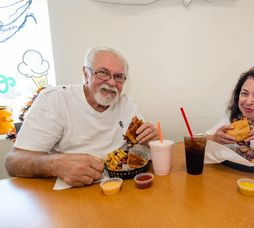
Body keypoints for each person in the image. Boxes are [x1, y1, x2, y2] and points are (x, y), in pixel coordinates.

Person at [5, 46, 159, 187]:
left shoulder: (128, 106)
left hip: (121, 187)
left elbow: (140, 153)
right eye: (103, 73)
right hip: (69, 194)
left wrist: (150, 141)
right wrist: (55, 164)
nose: (112, 82)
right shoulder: (54, 100)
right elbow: (13, 162)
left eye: (118, 76)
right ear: (86, 73)